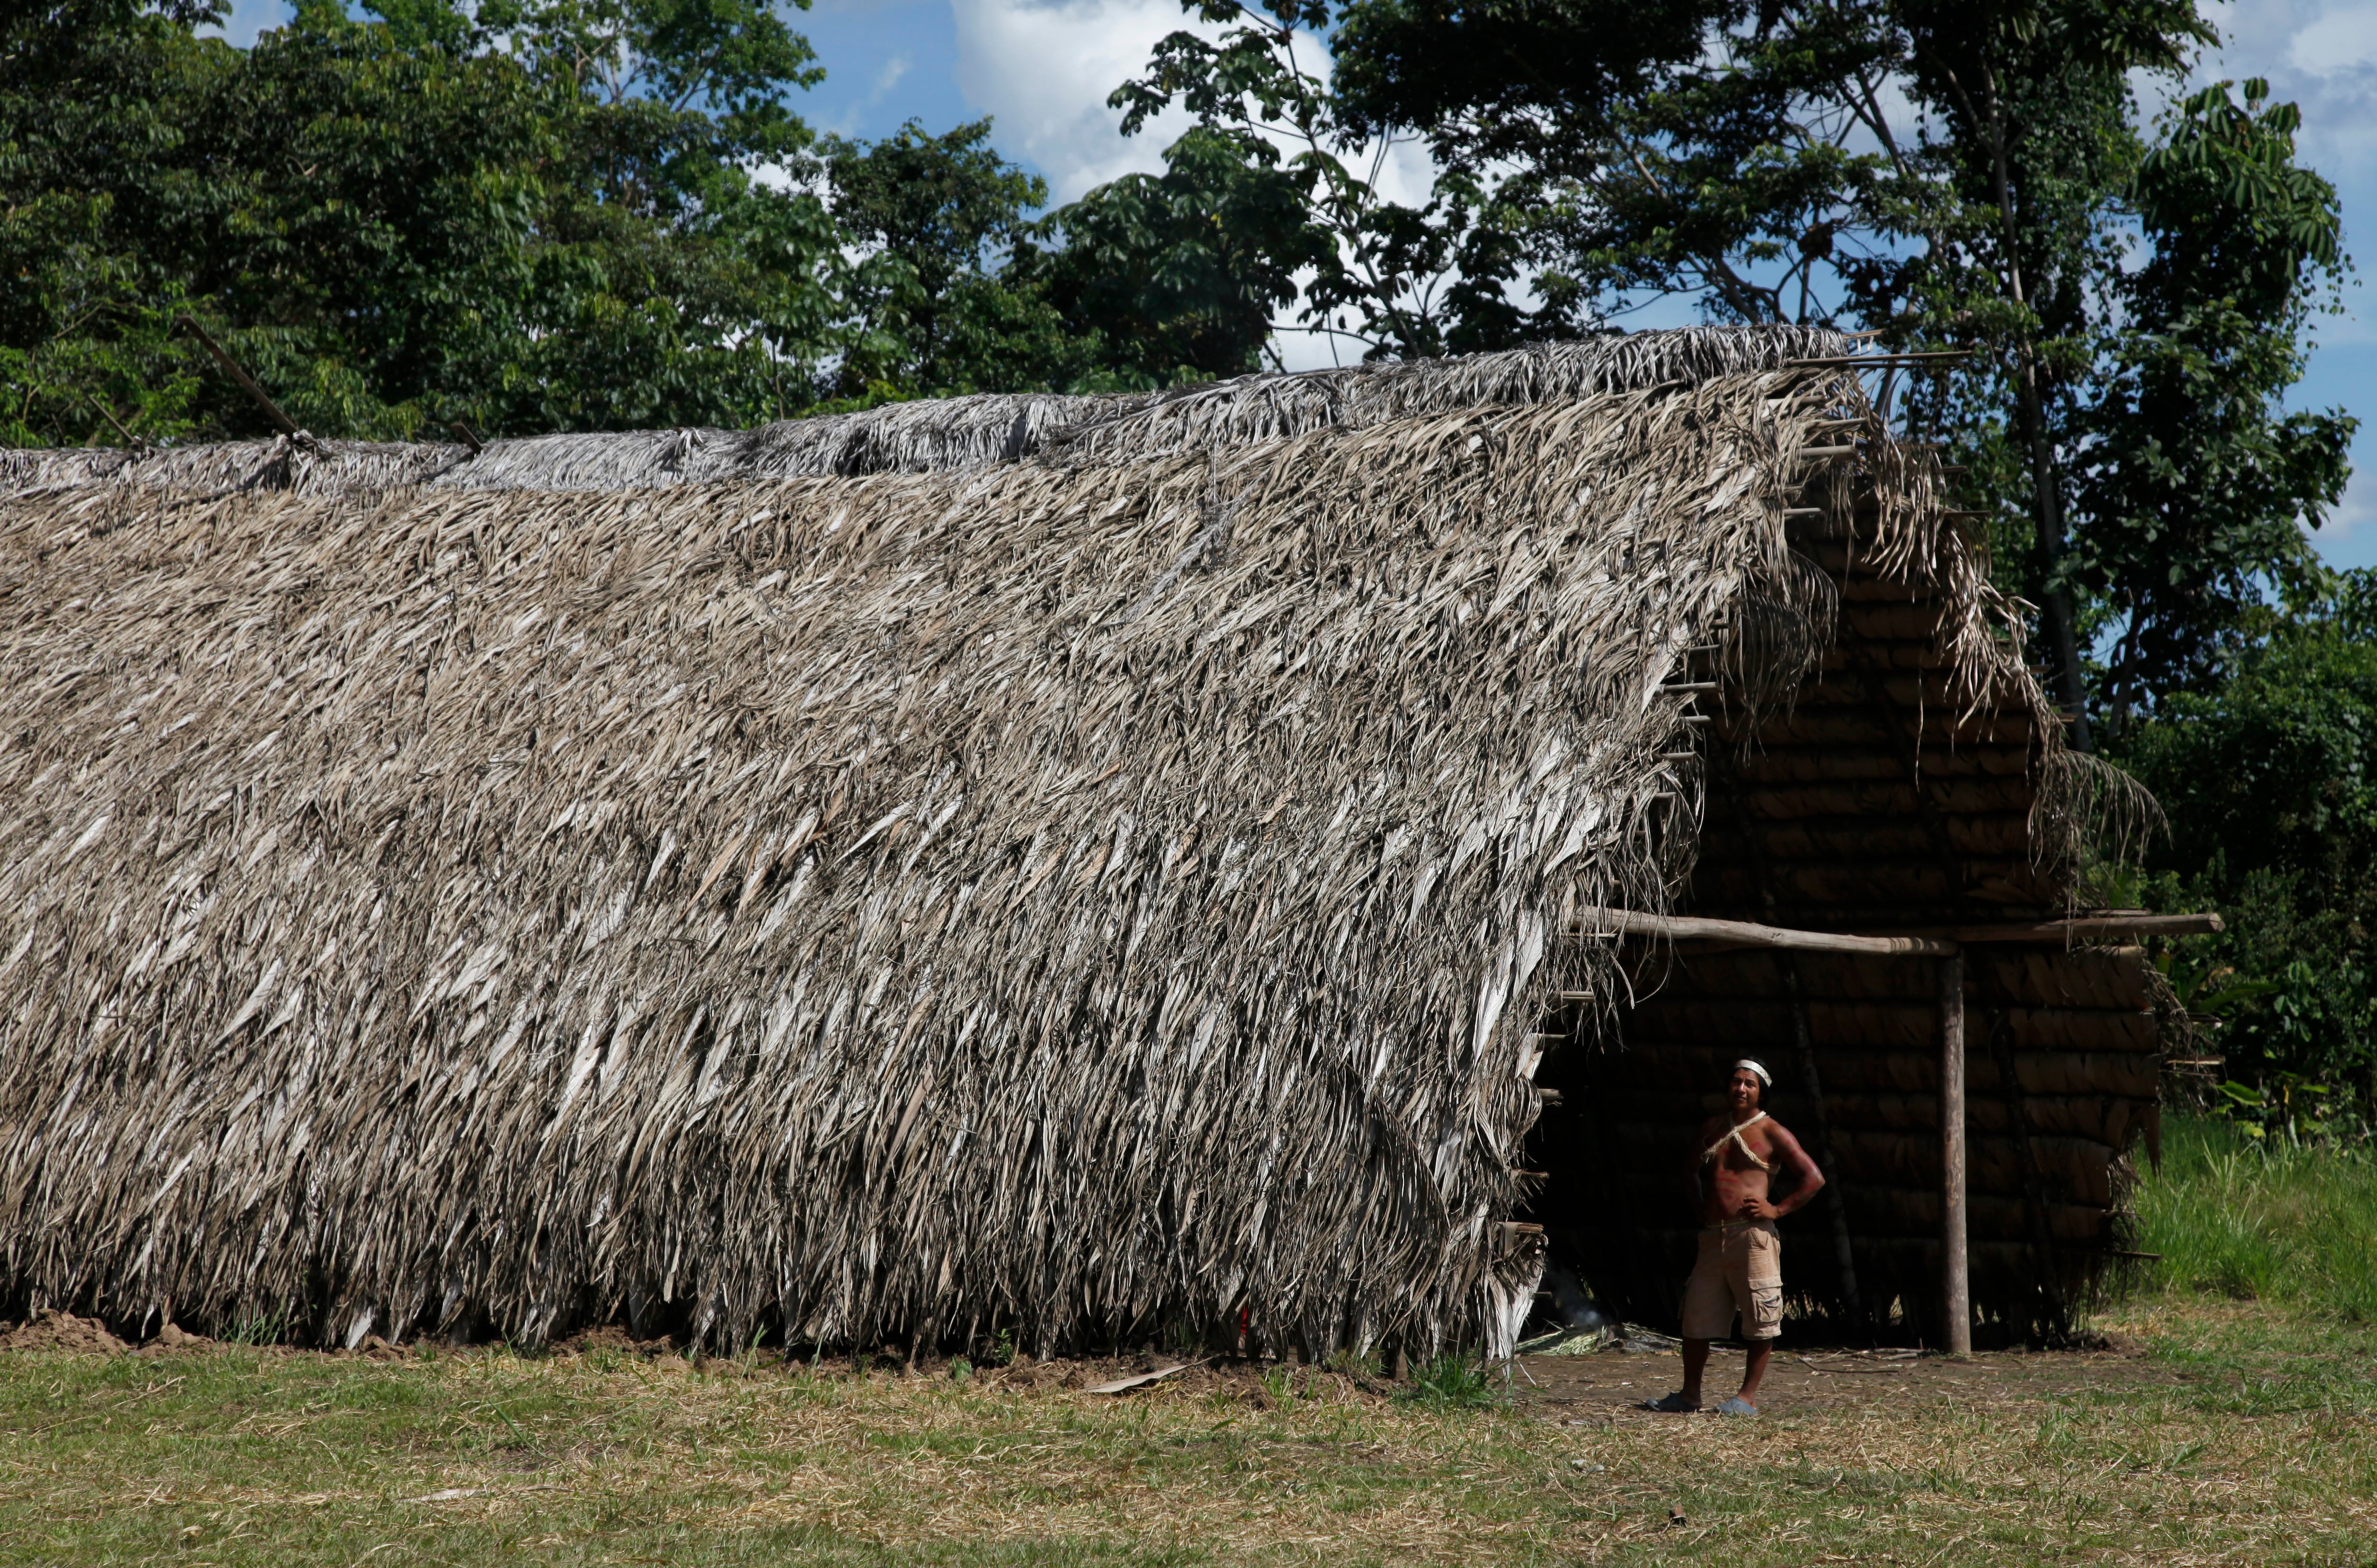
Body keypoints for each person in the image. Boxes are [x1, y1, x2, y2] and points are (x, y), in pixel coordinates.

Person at [1642, 1058, 1825, 1416]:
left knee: (1760, 1318)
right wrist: (1698, 1206)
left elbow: (1813, 1178)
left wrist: (1777, 1209)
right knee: (1696, 1318)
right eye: (1737, 1082)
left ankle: (1746, 1399)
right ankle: (1690, 1395)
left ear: (1761, 1093)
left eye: (1750, 1084)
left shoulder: (1773, 1132)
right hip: (1713, 1237)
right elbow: (1689, 1169)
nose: (1741, 1088)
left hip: (1752, 1237)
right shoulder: (1713, 1127)